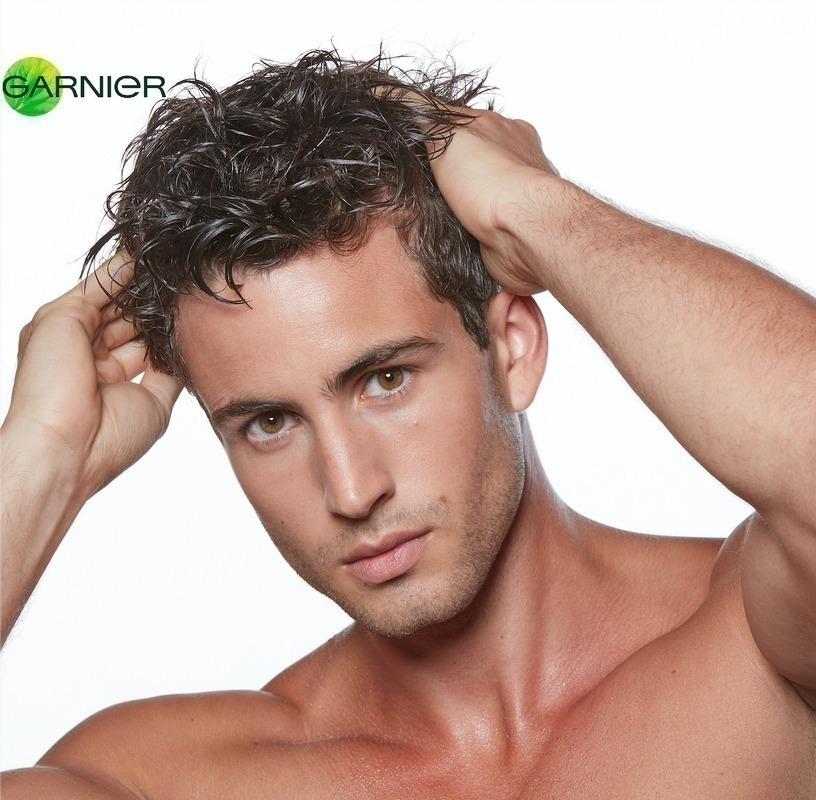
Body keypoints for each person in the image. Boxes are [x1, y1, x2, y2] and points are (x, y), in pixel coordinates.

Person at [2, 49, 814, 797]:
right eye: (271, 422)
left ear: (512, 347)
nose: (352, 491)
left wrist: (533, 210)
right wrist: (43, 461)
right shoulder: (165, 783)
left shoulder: (756, 643)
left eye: (385, 380)